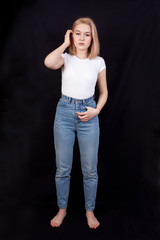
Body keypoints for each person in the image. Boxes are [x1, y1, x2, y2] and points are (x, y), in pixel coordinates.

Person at [44, 17, 108, 229]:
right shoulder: (66, 57)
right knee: (63, 168)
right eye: (77, 33)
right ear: (72, 35)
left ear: (92, 38)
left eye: (86, 34)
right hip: (64, 113)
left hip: (88, 115)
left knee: (90, 169)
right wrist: (64, 43)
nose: (82, 38)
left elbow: (104, 92)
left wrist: (96, 111)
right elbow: (48, 63)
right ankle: (62, 210)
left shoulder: (98, 62)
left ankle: (90, 211)